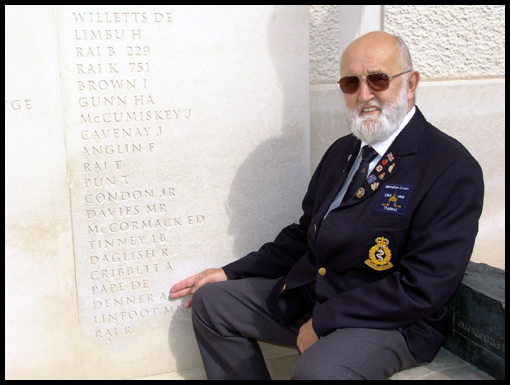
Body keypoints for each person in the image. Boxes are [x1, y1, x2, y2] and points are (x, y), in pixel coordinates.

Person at [169, 31, 484, 380]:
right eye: (351, 83)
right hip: (319, 294)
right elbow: (306, 235)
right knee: (214, 303)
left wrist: (326, 320)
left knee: (317, 372)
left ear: (410, 83)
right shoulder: (343, 151)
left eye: (378, 79)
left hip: (391, 323)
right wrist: (231, 271)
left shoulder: (450, 168)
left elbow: (423, 287)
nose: (364, 95)